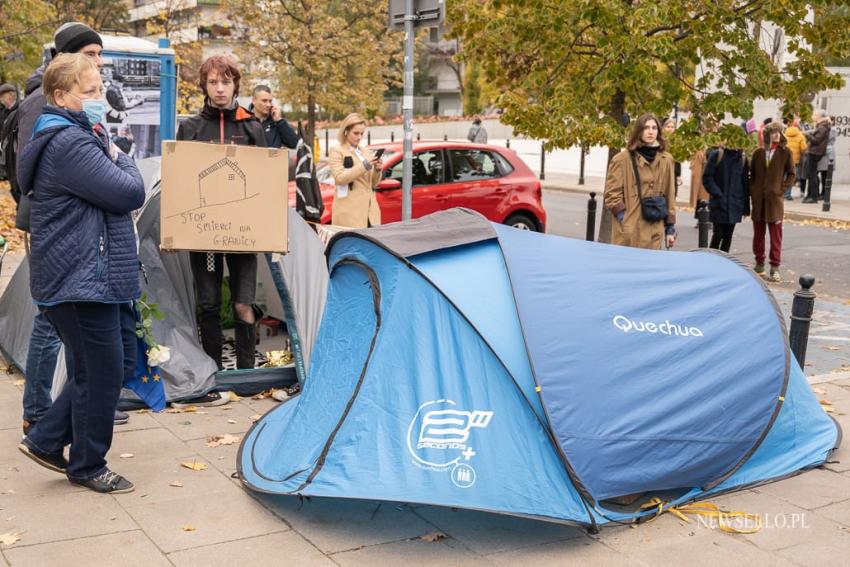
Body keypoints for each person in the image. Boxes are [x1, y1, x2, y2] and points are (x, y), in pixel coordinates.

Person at [16, 53, 145, 493]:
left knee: (116, 362)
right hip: (80, 278)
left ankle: (47, 438)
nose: (98, 100)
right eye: (88, 93)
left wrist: (109, 151)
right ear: (60, 96)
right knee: (101, 373)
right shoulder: (71, 144)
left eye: (98, 90)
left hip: (92, 276)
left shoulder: (79, 134)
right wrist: (121, 156)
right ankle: (88, 465)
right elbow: (129, 191)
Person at [13, 23, 128, 434]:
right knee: (51, 320)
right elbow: (39, 168)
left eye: (100, 55)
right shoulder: (38, 105)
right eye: (91, 54)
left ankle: (83, 403)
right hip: (53, 227)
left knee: (83, 338)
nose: (99, 62)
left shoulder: (79, 103)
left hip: (76, 222)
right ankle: (38, 411)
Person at [175, 55, 266, 389]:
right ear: (204, 86)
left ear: (235, 85)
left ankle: (245, 374)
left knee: (242, 303)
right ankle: (212, 374)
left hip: (244, 235)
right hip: (205, 236)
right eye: (213, 82)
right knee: (209, 303)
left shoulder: (252, 127)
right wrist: (175, 232)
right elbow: (180, 183)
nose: (219, 88)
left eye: (225, 81)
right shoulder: (190, 127)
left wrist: (274, 234)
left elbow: (265, 186)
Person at [603, 113, 677, 250]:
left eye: (654, 128)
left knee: (651, 269)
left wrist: (670, 228)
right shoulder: (622, 159)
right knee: (626, 269)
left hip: (655, 229)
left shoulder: (666, 159)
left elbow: (670, 194)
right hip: (630, 230)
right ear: (639, 131)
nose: (650, 131)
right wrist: (623, 218)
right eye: (646, 128)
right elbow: (611, 194)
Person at [749, 122, 795, 282]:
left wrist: (781, 189)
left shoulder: (785, 152)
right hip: (758, 201)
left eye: (778, 132)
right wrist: (753, 190)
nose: (776, 135)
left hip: (775, 201)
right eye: (773, 132)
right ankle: (759, 264)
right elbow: (752, 175)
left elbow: (791, 174)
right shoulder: (758, 153)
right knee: (758, 234)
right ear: (767, 134)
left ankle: (775, 267)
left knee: (776, 236)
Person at [328, 112, 382, 228]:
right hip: (349, 213)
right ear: (346, 131)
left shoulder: (365, 151)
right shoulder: (337, 150)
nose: (359, 137)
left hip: (370, 212)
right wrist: (364, 165)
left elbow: (372, 184)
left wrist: (377, 170)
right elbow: (340, 178)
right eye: (356, 133)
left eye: (361, 133)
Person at [702, 144, 749, 253]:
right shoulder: (717, 155)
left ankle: (724, 263)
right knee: (717, 234)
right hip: (719, 204)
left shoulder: (742, 158)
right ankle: (711, 260)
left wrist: (746, 208)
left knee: (728, 236)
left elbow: (745, 184)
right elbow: (707, 177)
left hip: (735, 203)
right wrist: (717, 193)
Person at [249, 85, 298, 149]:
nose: (268, 105)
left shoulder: (277, 123)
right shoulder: (244, 121)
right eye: (264, 101)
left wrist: (279, 121)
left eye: (270, 101)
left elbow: (295, 144)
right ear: (253, 100)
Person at [803, 109, 830, 203]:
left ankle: (813, 197)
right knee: (811, 175)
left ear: (820, 117)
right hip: (814, 152)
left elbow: (816, 140)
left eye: (815, 114)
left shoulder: (822, 127)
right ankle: (810, 195)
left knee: (812, 175)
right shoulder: (821, 126)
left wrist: (807, 134)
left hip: (815, 152)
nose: (813, 116)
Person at [782, 116, 807, 201]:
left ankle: (782, 193)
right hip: (795, 160)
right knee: (791, 177)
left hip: (784, 158)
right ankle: (787, 195)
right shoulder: (800, 135)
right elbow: (803, 148)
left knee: (783, 176)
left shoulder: (785, 134)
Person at [817, 116, 836, 201]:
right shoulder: (826, 129)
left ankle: (824, 194)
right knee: (821, 174)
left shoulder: (832, 130)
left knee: (826, 175)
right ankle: (821, 193)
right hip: (823, 152)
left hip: (828, 154)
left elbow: (828, 139)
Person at [662, 118, 682, 195]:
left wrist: (678, 175)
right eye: (668, 127)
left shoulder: (677, 141)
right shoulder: (660, 140)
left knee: (673, 192)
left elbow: (679, 159)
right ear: (664, 128)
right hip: (662, 170)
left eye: (672, 127)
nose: (670, 129)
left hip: (673, 170)